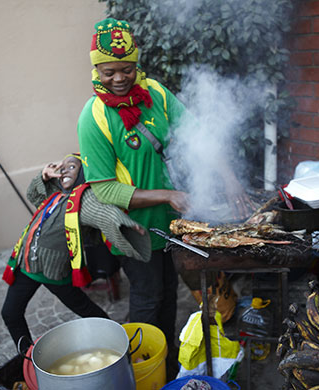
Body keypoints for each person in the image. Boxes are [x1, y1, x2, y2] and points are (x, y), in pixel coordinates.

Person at [77, 18, 252, 376]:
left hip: (169, 226)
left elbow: (199, 135)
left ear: (136, 64)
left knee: (170, 293)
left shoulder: (155, 93)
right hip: (131, 231)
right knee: (146, 297)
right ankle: (138, 373)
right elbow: (105, 189)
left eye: (127, 69)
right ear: (96, 68)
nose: (119, 79)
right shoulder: (93, 117)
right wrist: (168, 194)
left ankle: (169, 368)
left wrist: (231, 179)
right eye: (109, 72)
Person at [1, 154, 151, 352]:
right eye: (62, 167)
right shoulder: (55, 195)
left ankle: (120, 344)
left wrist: (126, 226)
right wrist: (44, 175)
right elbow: (33, 195)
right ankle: (27, 358)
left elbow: (103, 213)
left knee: (88, 312)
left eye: (71, 166)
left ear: (82, 174)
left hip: (52, 271)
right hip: (27, 264)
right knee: (10, 313)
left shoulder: (84, 199)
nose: (64, 170)